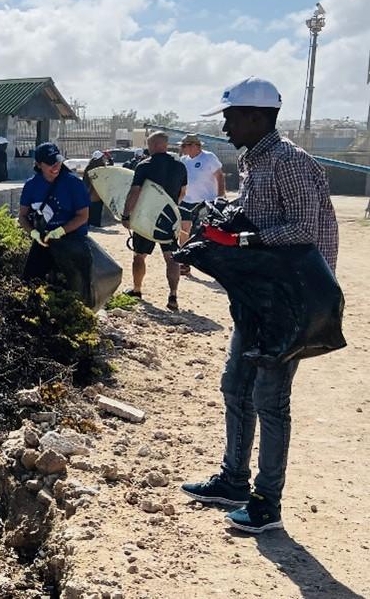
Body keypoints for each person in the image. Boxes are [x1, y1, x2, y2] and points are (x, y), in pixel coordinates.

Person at [181, 76, 338, 534]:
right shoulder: (256, 160)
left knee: (270, 400)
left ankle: (267, 504)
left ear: (254, 116)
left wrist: (244, 238)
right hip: (259, 295)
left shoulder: (288, 161)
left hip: (289, 301)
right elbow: (260, 217)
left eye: (229, 117)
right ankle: (233, 480)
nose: (225, 127)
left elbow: (305, 229)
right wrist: (222, 223)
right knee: (236, 385)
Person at [121, 131, 187, 310]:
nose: (148, 149)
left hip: (146, 218)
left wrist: (126, 215)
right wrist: (172, 209)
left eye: (149, 145)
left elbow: (135, 191)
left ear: (156, 145)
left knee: (139, 256)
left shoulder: (145, 165)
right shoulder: (180, 167)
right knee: (172, 258)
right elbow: (183, 193)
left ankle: (137, 289)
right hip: (169, 218)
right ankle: (173, 296)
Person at [17, 142, 90, 282]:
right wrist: (33, 233)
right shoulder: (31, 185)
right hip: (44, 240)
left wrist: (60, 231)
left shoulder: (74, 183)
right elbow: (22, 216)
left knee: (74, 286)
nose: (56, 166)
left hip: (72, 239)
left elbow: (83, 216)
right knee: (30, 282)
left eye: (57, 161)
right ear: (39, 165)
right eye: (50, 163)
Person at [177, 134, 226, 273]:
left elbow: (220, 177)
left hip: (205, 201)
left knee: (206, 232)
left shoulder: (209, 157)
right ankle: (185, 262)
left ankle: (211, 261)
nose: (182, 148)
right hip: (186, 200)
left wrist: (220, 196)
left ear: (194, 145)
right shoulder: (184, 160)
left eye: (184, 146)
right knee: (183, 230)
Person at [84, 149, 113, 227]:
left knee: (96, 208)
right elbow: (88, 180)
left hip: (96, 192)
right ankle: (93, 224)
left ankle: (93, 223)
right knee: (95, 208)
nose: (103, 159)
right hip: (93, 192)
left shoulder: (92, 167)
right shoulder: (94, 168)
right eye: (102, 158)